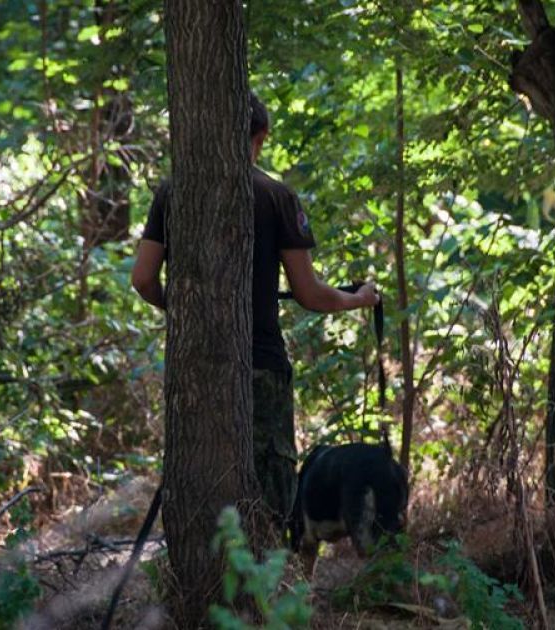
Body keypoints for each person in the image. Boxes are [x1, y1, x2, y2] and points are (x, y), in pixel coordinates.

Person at [130, 94, 379, 530]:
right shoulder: (276, 196)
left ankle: (201, 568)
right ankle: (263, 571)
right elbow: (309, 293)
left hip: (193, 366)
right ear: (260, 136)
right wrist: (360, 299)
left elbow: (143, 278)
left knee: (199, 483)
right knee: (268, 491)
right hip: (258, 365)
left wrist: (186, 309)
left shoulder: (173, 192)